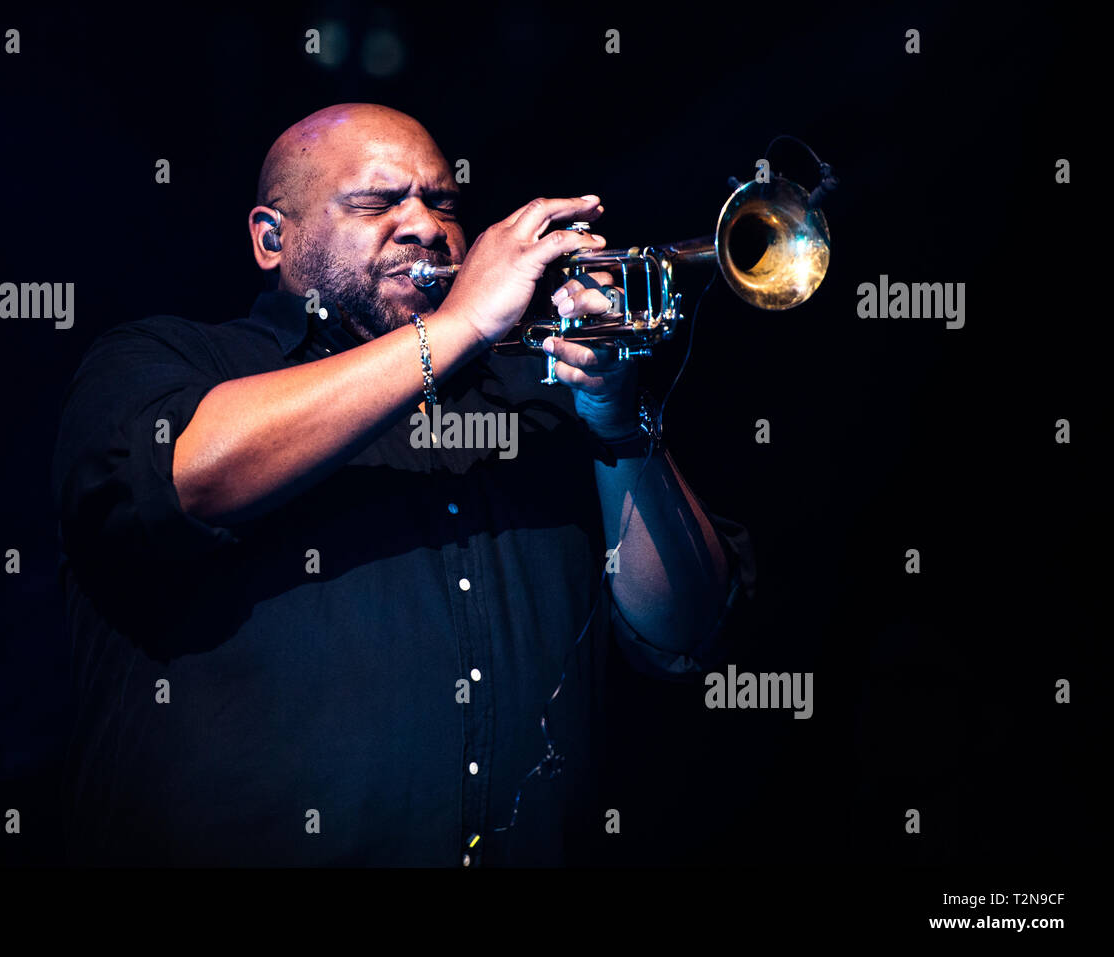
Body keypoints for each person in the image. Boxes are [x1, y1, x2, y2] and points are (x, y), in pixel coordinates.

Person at [51, 103, 754, 866]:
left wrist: (619, 422)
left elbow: (684, 629)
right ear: (270, 237)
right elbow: (183, 477)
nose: (425, 225)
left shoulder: (548, 396)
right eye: (378, 202)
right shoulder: (169, 357)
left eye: (443, 202)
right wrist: (457, 328)